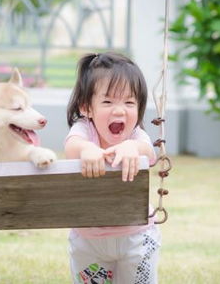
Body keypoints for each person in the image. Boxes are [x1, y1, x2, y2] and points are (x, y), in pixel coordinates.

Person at [65, 52, 161, 284]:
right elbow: (71, 147)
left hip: (137, 236)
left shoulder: (136, 134)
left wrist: (133, 147)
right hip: (89, 239)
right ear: (87, 107)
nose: (119, 111)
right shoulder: (84, 129)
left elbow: (149, 152)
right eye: (107, 102)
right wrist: (87, 149)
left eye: (129, 102)